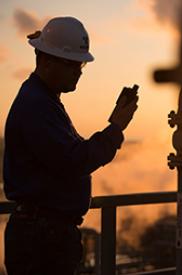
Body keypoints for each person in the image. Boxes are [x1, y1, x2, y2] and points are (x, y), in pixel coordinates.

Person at [2, 16, 138, 275]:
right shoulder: (37, 105)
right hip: (42, 240)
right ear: (47, 61)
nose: (78, 72)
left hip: (43, 234)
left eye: (81, 66)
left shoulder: (42, 100)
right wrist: (116, 128)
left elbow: (68, 156)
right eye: (73, 65)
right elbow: (75, 160)